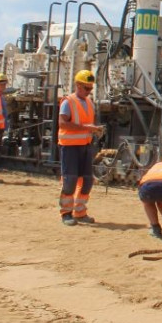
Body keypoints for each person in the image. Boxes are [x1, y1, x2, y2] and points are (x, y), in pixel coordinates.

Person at [57, 69, 103, 225]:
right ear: (77, 85)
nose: (89, 91)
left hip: (85, 146)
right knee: (70, 180)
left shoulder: (89, 102)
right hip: (70, 147)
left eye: (91, 88)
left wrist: (95, 130)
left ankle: (80, 212)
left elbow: (86, 124)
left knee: (87, 180)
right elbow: (62, 123)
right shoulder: (68, 101)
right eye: (86, 88)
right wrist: (87, 128)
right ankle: (66, 213)